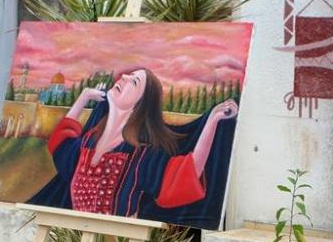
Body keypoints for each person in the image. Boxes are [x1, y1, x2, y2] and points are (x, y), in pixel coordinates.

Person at [32, 68, 237, 220]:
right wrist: (83, 97)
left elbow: (187, 173)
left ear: (140, 104)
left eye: (135, 82)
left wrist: (212, 121)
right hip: (76, 236)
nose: (124, 77)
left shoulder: (140, 155)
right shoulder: (89, 141)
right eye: (128, 75)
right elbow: (61, 142)